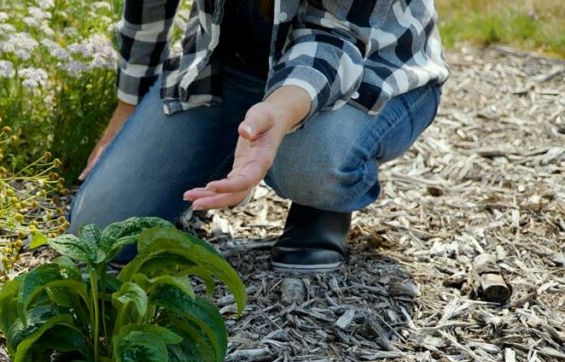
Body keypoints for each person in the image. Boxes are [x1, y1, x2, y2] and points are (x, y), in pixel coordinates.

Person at [69, 0, 449, 271]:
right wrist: (126, 109)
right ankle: (235, 152)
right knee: (101, 230)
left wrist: (280, 111)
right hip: (227, 63)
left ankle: (320, 200)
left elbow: (336, 35)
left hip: (370, 63)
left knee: (311, 163)